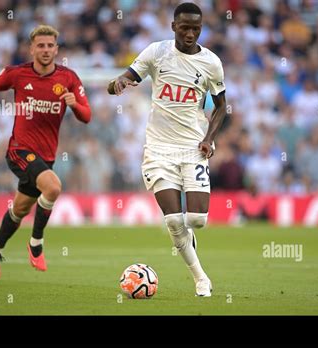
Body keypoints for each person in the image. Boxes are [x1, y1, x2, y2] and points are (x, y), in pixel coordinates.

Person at [108, 2, 227, 297]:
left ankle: (189, 242)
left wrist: (209, 139)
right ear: (173, 26)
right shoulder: (156, 52)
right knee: (174, 221)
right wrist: (118, 84)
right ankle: (201, 279)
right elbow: (123, 80)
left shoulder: (211, 62)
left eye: (195, 28)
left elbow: (222, 106)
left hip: (192, 147)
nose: (190, 33)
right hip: (158, 149)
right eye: (184, 27)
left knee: (196, 220)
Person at [0, 25, 91, 281]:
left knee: (19, 210)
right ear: (31, 49)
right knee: (53, 188)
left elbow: (87, 116)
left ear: (57, 49)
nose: (45, 50)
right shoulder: (17, 74)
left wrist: (75, 107)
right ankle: (36, 243)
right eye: (40, 45)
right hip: (19, 150)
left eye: (50, 45)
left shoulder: (69, 79)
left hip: (45, 157)